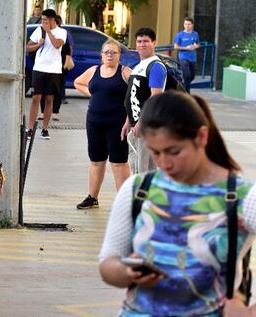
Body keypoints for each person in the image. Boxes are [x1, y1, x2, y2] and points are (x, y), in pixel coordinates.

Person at [98, 91, 256, 316]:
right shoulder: (138, 189)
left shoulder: (242, 197)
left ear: (201, 137)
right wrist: (125, 271)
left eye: (174, 152)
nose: (163, 163)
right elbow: (107, 265)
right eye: (156, 152)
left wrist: (249, 312)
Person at [73, 39, 132, 210]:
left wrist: (130, 120)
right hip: (94, 121)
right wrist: (91, 94)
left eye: (113, 52)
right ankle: (92, 198)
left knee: (118, 162)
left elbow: (136, 95)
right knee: (96, 160)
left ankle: (124, 202)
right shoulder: (94, 70)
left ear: (119, 55)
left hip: (118, 124)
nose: (110, 55)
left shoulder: (126, 72)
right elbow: (78, 82)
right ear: (101, 55)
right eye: (106, 52)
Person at [121, 27, 167, 173]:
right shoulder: (139, 66)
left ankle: (147, 196)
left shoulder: (156, 66)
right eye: (139, 41)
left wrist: (141, 122)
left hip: (147, 126)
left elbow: (156, 97)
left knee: (144, 169)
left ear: (154, 43)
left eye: (146, 41)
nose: (142, 44)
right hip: (136, 126)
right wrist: (128, 122)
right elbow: (134, 96)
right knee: (136, 166)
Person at [26, 9, 67, 140]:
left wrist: (48, 31)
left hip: (54, 71)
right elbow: (28, 47)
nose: (42, 22)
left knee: (49, 99)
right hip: (39, 68)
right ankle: (30, 129)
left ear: (52, 20)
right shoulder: (39, 30)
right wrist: (38, 44)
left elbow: (56, 45)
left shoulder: (62, 32)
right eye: (42, 20)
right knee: (35, 98)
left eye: (45, 20)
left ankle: (44, 129)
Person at [174, 17, 200, 91]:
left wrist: (195, 46)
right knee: (187, 75)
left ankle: (182, 85)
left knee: (192, 77)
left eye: (189, 24)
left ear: (192, 25)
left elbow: (198, 44)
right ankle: (187, 92)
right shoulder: (180, 35)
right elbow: (176, 47)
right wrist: (186, 48)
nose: (187, 26)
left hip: (193, 58)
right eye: (185, 24)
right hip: (183, 57)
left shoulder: (195, 34)